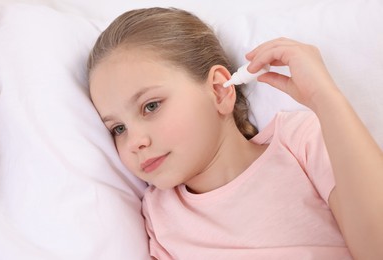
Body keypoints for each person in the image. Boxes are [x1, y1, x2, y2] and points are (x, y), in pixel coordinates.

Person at [87, 7, 383, 260]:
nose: (135, 142)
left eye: (150, 106)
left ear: (218, 90)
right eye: (118, 128)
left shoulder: (299, 142)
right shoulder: (159, 214)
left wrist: (324, 97)